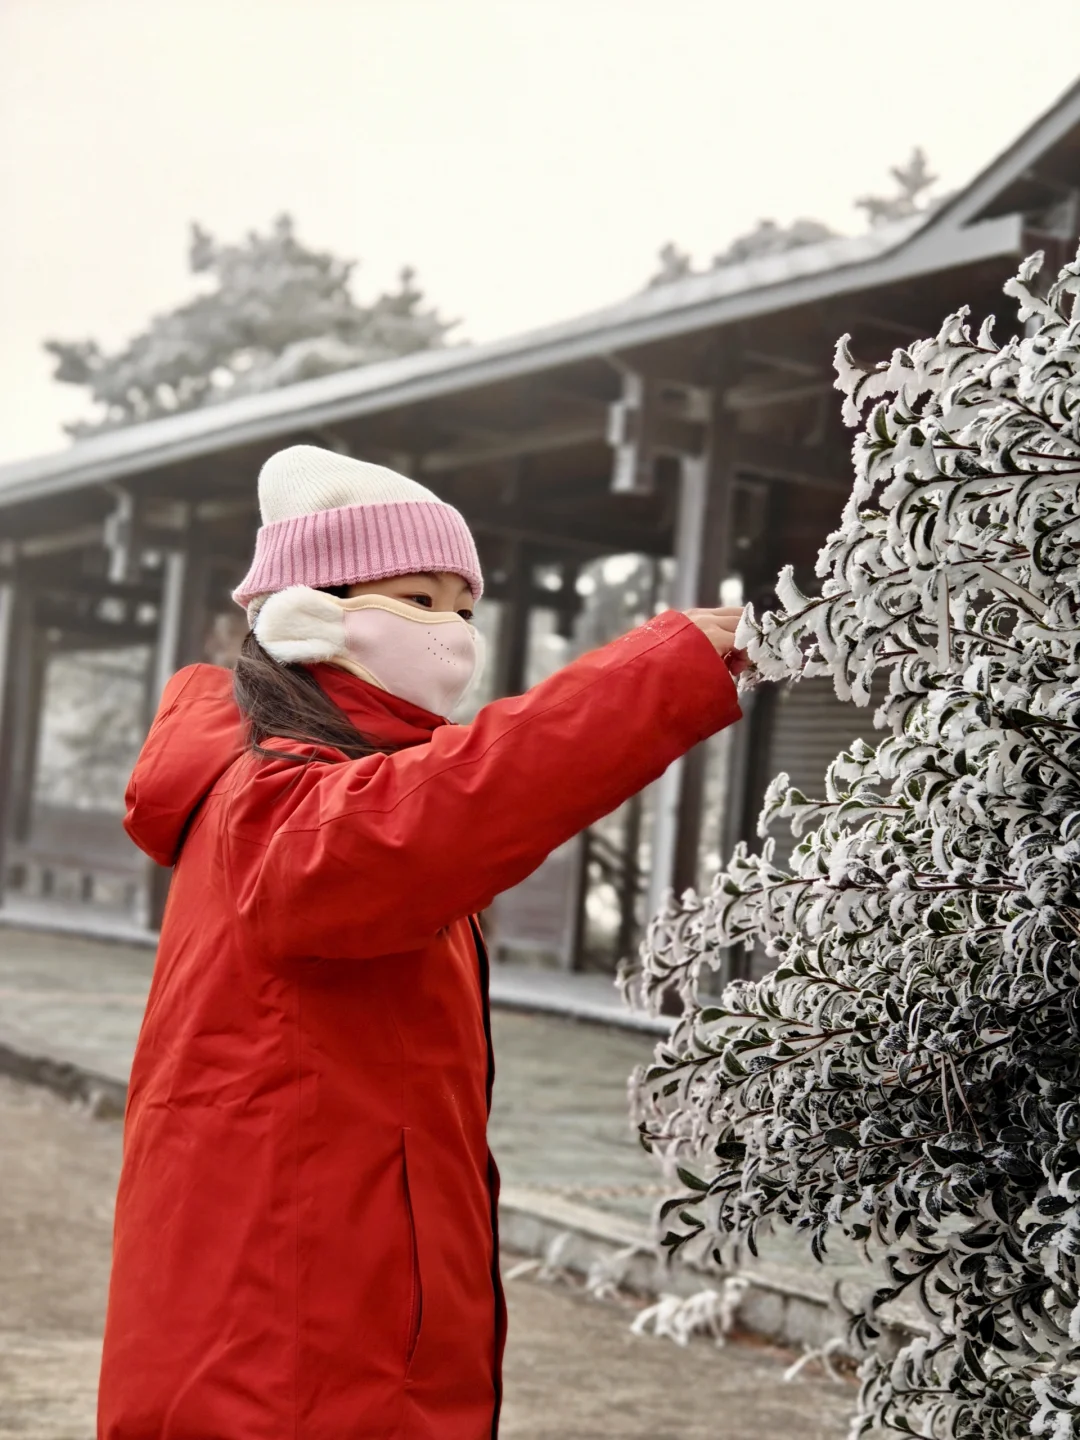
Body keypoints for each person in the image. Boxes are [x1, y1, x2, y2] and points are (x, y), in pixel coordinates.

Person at [97, 445, 746, 1440]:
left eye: (463, 605)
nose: (450, 630)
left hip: (331, 1305)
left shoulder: (314, 778)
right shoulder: (275, 800)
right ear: (310, 612)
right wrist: (658, 672)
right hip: (287, 1344)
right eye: (415, 599)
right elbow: (452, 805)